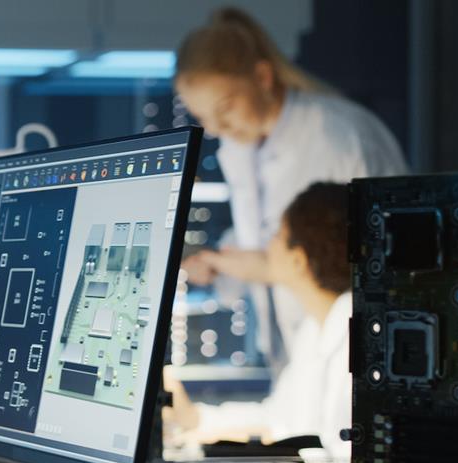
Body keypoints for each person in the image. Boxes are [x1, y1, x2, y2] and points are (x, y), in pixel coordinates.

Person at [173, 6, 405, 373]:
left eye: (225, 108)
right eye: (203, 118)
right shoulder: (241, 148)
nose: (215, 129)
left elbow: (353, 257)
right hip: (293, 353)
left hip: (353, 345)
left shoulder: (336, 136)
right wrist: (224, 264)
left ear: (263, 77)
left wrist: (259, 265)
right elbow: (265, 237)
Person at [166, 182, 353, 459]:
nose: (268, 245)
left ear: (298, 260)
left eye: (278, 235)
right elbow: (278, 418)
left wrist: (225, 444)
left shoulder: (352, 341)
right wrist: (194, 419)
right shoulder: (314, 330)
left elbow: (333, 452)